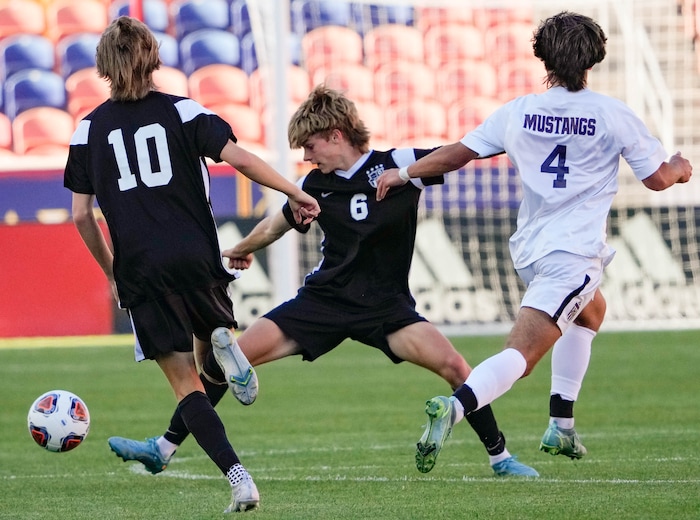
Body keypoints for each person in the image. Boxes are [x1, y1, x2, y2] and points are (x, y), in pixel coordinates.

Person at [107, 84, 540, 480]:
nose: (307, 158)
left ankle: (501, 458)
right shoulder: (313, 186)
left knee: (456, 368)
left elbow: (460, 153)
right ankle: (162, 448)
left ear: (336, 134)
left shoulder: (400, 164)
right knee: (222, 365)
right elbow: (275, 225)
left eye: (311, 147)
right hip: (322, 302)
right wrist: (242, 248)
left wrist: (513, 141)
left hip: (386, 308)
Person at [375, 11, 692, 473]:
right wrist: (680, 166)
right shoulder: (612, 114)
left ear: (542, 56)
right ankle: (456, 408)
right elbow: (658, 180)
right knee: (520, 357)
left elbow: (456, 155)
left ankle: (560, 426)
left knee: (592, 309)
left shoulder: (518, 111)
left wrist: (403, 173)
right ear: (595, 58)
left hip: (530, 250)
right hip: (573, 255)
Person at [63, 17, 320, 514]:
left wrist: (113, 272)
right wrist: (294, 191)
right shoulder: (183, 110)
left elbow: (81, 215)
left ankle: (240, 479)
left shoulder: (88, 129)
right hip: (197, 255)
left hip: (142, 267)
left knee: (188, 384)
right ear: (153, 56)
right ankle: (219, 334)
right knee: (207, 353)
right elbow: (240, 159)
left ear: (104, 67)